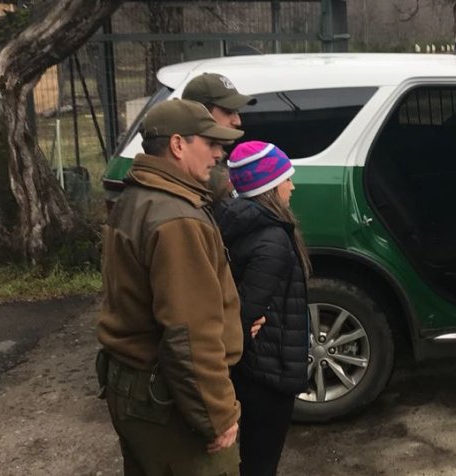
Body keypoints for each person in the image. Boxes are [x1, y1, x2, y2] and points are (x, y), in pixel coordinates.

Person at [96, 99, 245, 476]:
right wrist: (218, 414)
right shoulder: (176, 217)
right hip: (166, 401)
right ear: (178, 145)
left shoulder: (136, 197)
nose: (218, 153)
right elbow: (188, 334)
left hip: (131, 389)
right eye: (210, 143)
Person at [214, 141, 311, 476]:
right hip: (267, 373)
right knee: (260, 463)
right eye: (287, 179)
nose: (292, 186)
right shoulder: (271, 241)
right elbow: (244, 313)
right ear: (269, 187)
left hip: (255, 367)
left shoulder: (239, 225)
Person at [182, 72, 256, 200]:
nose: (237, 121)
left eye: (237, 111)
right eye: (228, 111)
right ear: (200, 111)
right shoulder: (199, 172)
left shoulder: (212, 166)